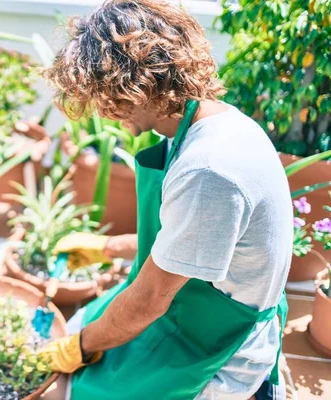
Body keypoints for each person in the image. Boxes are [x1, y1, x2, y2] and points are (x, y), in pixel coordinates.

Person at [37, 1, 292, 399]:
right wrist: (105, 248)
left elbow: (148, 302)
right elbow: (184, 239)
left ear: (136, 85)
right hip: (190, 298)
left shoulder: (208, 171)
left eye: (107, 97)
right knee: (85, 333)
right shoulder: (203, 121)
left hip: (216, 338)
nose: (105, 113)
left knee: (75, 389)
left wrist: (81, 347)